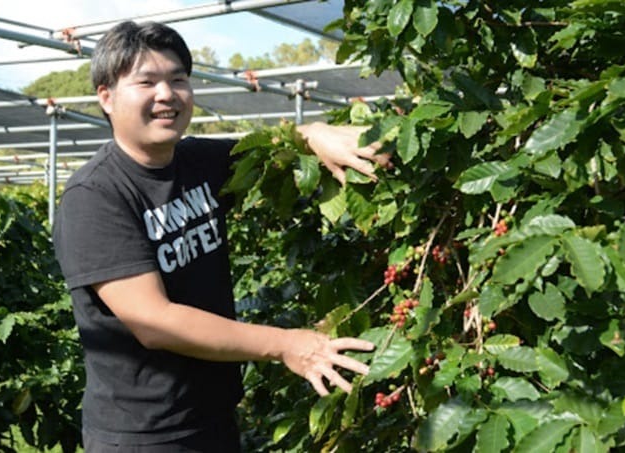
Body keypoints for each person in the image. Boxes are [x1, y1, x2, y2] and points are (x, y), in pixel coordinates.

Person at [52, 20, 387, 452]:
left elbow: (267, 145)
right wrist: (284, 344)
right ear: (106, 97)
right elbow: (155, 321)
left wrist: (315, 133)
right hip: (146, 436)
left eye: (178, 80)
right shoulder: (95, 195)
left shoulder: (196, 161)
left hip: (212, 417)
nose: (166, 95)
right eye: (147, 82)